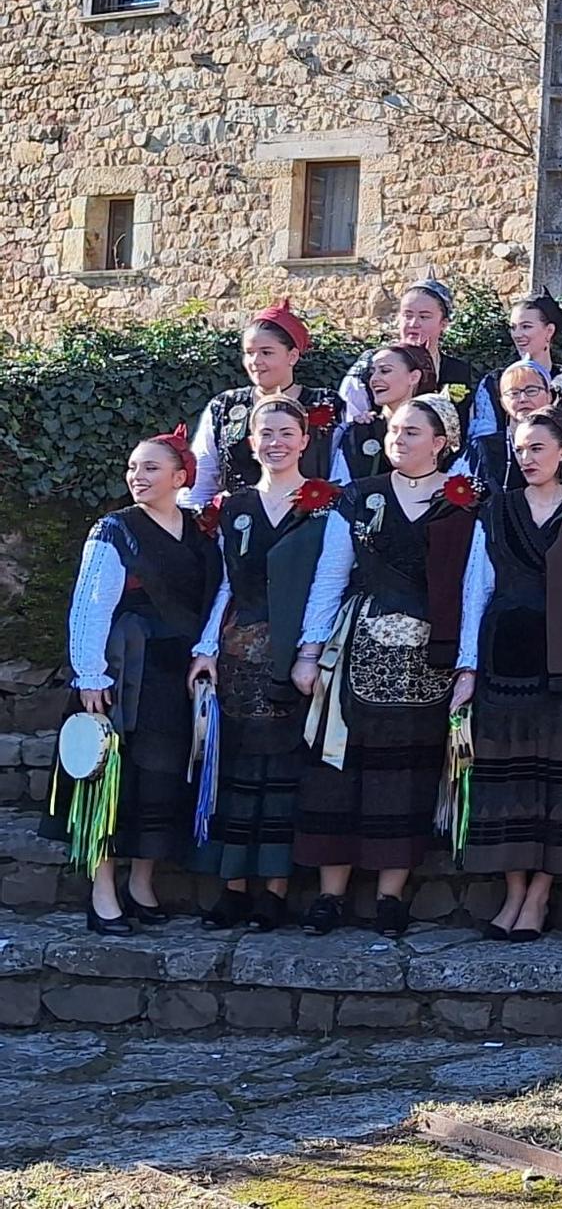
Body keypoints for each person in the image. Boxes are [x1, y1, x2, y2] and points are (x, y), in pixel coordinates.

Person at [294, 393, 477, 936]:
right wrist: (309, 651)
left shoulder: (464, 502)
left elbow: (473, 589)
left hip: (430, 652)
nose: (398, 438)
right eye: (395, 429)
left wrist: (466, 664)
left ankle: (390, 896)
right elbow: (331, 575)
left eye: (412, 432)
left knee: (406, 773)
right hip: (359, 645)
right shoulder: (359, 497)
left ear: (441, 443)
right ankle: (330, 895)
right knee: (339, 765)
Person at [451, 408, 562, 941]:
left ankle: (541, 894)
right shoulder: (495, 511)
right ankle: (514, 890)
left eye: (538, 448)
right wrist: (468, 668)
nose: (527, 459)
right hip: (505, 659)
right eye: (520, 449)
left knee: (557, 778)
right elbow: (477, 589)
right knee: (509, 779)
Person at [52, 429, 221, 934]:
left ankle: (141, 885)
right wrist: (89, 674)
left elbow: (214, 599)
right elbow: (91, 605)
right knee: (111, 782)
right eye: (132, 468)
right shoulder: (114, 529)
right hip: (121, 674)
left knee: (160, 783)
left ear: (180, 477)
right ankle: (103, 894)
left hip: (173, 676)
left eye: (150, 468)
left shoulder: (198, 532)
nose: (137, 477)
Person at [188, 397, 336, 930]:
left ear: (305, 440)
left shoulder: (327, 505)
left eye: (285, 433)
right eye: (265, 433)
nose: (275, 442)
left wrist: (310, 652)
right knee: (237, 769)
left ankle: (273, 891)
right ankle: (231, 887)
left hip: (293, 654)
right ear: (251, 443)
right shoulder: (233, 507)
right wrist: (206, 648)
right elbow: (226, 584)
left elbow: (329, 586)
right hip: (237, 653)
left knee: (282, 772)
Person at [188, 300, 339, 506]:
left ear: (292, 356)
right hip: (238, 525)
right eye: (249, 353)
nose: (256, 361)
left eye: (266, 352)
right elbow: (202, 477)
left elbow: (343, 470)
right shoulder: (225, 406)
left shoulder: (328, 404)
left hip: (310, 527)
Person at [468, 292, 562, 442]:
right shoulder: (494, 382)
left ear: (549, 331)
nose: (517, 334)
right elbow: (481, 437)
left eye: (526, 326)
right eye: (513, 327)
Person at [338, 279, 477, 430]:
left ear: (443, 324)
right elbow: (350, 418)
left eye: (424, 317)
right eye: (407, 315)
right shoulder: (372, 362)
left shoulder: (458, 370)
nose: (413, 324)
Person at [330, 344, 437, 484]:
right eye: (372, 372)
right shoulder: (356, 432)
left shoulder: (436, 430)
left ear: (414, 377)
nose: (374, 379)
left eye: (385, 371)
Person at [456, 361, 554, 494]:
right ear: (502, 403)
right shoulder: (484, 447)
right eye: (514, 393)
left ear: (549, 396)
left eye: (531, 391)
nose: (523, 399)